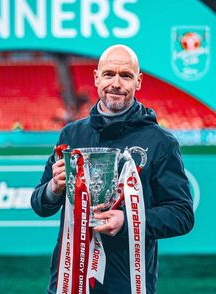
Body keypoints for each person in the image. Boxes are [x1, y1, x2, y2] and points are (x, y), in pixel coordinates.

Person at [31, 44, 194, 293]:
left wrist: (129, 221)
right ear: (96, 78)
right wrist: (53, 188)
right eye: (109, 74)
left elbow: (182, 215)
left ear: (138, 82)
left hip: (128, 283)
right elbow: (39, 204)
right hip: (69, 281)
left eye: (125, 76)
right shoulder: (71, 134)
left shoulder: (161, 142)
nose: (116, 83)